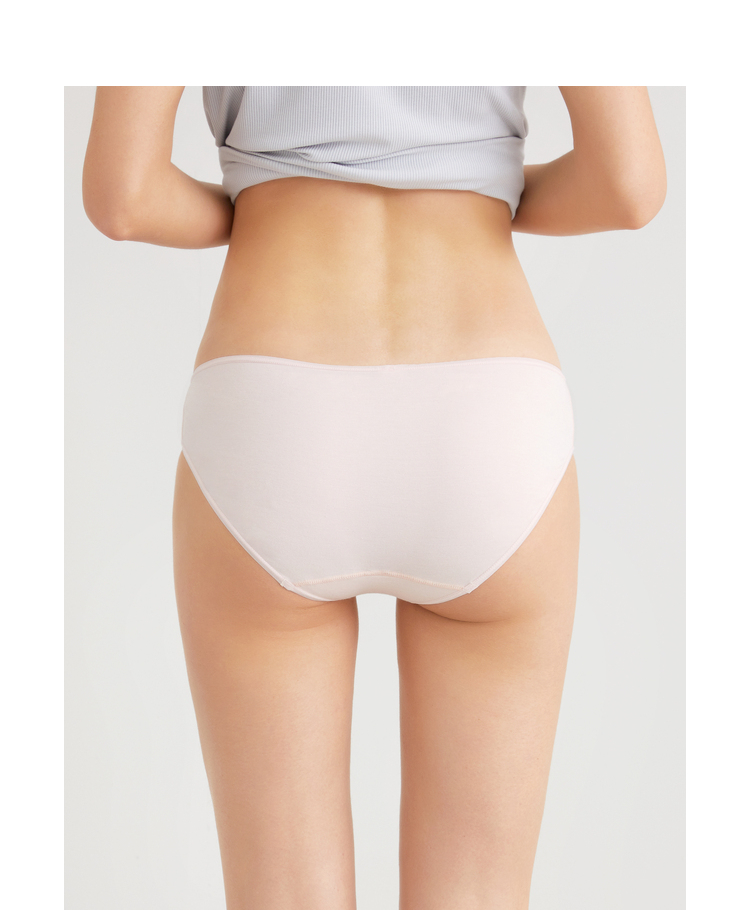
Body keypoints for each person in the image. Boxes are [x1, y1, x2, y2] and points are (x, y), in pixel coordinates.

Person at [82, 86, 667, 910]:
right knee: (479, 892)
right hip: (487, 409)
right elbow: (629, 186)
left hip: (275, 401)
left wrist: (262, 196)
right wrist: (480, 181)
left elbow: (124, 195)